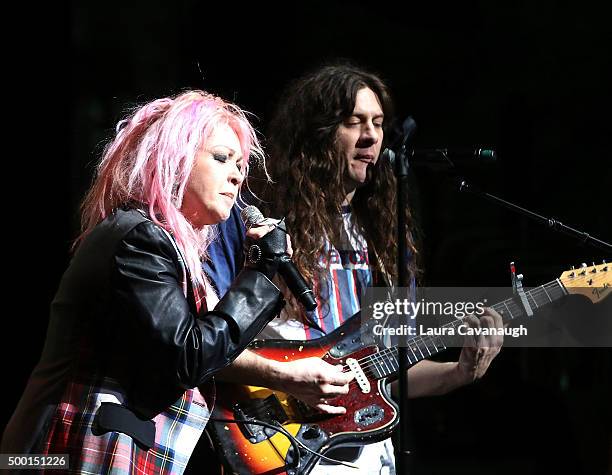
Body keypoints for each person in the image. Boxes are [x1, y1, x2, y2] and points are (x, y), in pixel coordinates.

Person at [206, 63, 504, 474]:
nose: (371, 136)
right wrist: (286, 378)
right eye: (354, 122)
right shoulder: (253, 221)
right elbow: (203, 342)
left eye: (378, 123)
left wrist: (459, 371)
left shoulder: (386, 234)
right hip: (273, 437)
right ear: (317, 133)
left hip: (365, 451)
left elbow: (385, 374)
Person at [1, 90, 289, 474]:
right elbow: (188, 355)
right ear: (175, 159)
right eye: (221, 158)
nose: (237, 175)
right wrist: (258, 275)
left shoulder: (158, 241)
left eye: (240, 164)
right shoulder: (140, 238)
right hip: (61, 451)